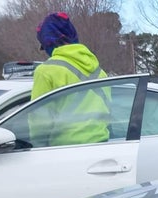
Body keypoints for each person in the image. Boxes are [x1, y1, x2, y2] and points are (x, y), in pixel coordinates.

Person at [29, 12, 110, 146]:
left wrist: (35, 147)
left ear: (49, 41)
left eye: (44, 46)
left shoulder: (46, 71)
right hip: (102, 146)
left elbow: (39, 120)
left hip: (65, 152)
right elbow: (107, 112)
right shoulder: (100, 71)